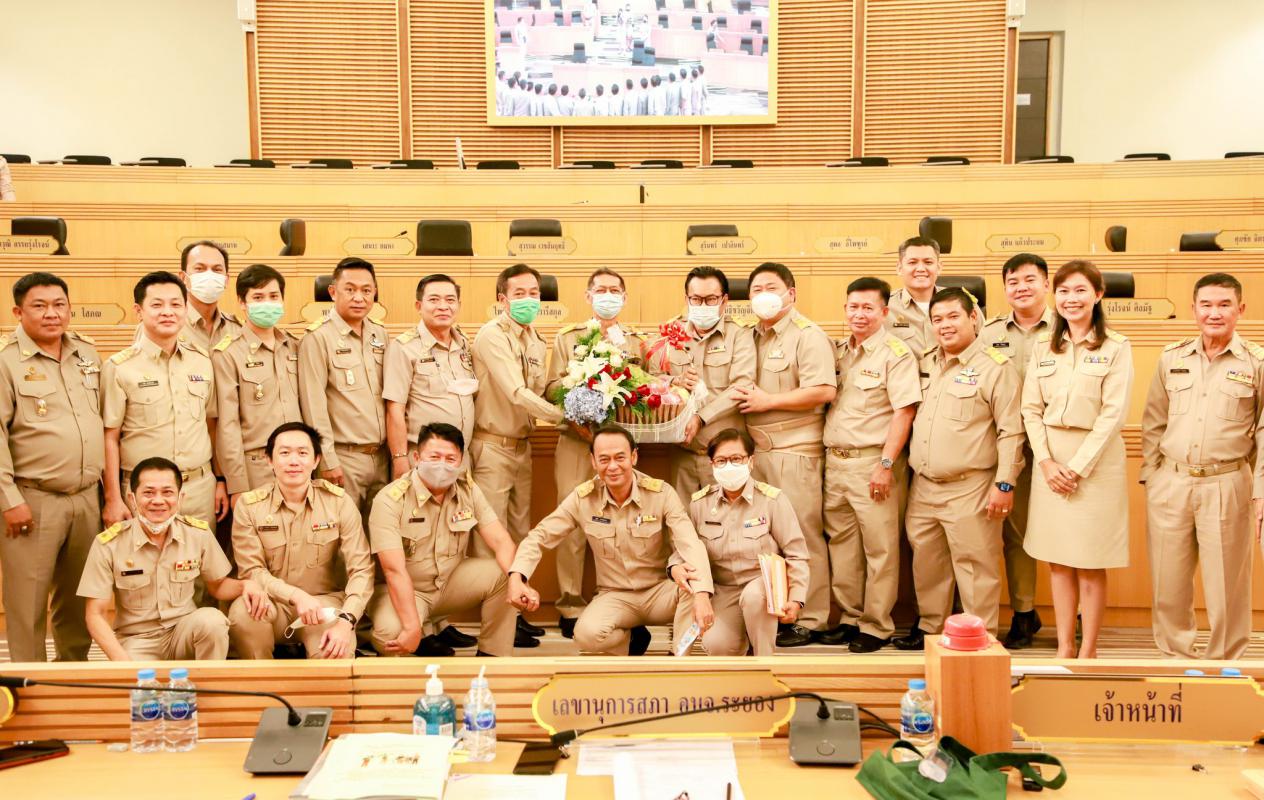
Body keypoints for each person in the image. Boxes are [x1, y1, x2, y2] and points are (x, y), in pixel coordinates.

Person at [507, 425, 716, 655]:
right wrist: (517, 576)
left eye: (620, 457)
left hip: (660, 592)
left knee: (693, 587)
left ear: (633, 457)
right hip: (615, 596)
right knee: (585, 635)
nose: (613, 466)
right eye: (604, 459)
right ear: (593, 461)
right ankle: (632, 641)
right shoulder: (583, 498)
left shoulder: (661, 494)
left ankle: (678, 659)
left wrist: (702, 593)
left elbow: (690, 543)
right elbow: (540, 536)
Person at [893, 288, 1023, 650]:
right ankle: (932, 633)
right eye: (937, 319)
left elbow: (1012, 431)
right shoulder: (926, 362)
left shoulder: (996, 368)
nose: (945, 325)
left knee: (976, 569)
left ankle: (981, 641)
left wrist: (1005, 484)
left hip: (971, 486)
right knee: (927, 564)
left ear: (973, 318)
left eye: (953, 316)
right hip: (924, 486)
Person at [1142, 273, 1261, 661]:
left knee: (1227, 583)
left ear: (1240, 309)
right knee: (1168, 581)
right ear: (1193, 309)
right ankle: (1176, 658)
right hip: (1171, 482)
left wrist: (1259, 490)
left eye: (1224, 305)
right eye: (1206, 305)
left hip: (1227, 482)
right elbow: (1153, 420)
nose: (1214, 313)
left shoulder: (1257, 362)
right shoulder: (1171, 358)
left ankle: (1223, 663)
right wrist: (1152, 476)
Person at [1022, 261, 1132, 659]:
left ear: (1098, 295)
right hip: (1050, 460)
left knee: (1089, 561)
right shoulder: (1043, 346)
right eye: (1064, 291)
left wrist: (1077, 467)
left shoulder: (1116, 347)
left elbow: (1113, 415)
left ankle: (1088, 650)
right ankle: (1064, 646)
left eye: (1081, 290)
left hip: (1096, 464)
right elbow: (1030, 409)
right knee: (1058, 561)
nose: (1071, 299)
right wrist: (1047, 462)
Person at [368, 423, 540, 657]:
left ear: (460, 462)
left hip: (448, 584)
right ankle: (402, 634)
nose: (442, 465)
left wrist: (519, 581)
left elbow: (501, 541)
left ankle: (493, 656)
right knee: (392, 634)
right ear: (417, 458)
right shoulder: (390, 499)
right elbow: (393, 571)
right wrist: (412, 626)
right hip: (409, 590)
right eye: (434, 457)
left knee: (507, 574)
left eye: (450, 459)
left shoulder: (467, 491)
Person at [0, 272, 103, 662]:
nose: (51, 314)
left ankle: (70, 676)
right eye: (39, 306)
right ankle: (30, 684)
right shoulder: (6, 360)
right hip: (33, 498)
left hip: (87, 498)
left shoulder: (87, 353)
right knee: (27, 601)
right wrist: (9, 499)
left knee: (79, 596)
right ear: (18, 312)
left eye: (59, 305)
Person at [77, 457, 270, 660]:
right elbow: (95, 614)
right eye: (148, 493)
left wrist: (245, 585)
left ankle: (208, 680)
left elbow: (218, 586)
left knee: (213, 621)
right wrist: (122, 662)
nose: (158, 500)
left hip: (183, 632)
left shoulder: (197, 534)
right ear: (132, 498)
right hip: (137, 641)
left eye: (167, 492)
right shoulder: (109, 544)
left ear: (180, 498)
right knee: (140, 679)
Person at [545, 267, 649, 638]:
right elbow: (551, 387)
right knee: (572, 523)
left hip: (621, 447)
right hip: (577, 443)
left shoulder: (637, 342)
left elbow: (649, 388)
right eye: (601, 290)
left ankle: (624, 599)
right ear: (588, 296)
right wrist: (577, 400)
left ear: (624, 296)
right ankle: (570, 604)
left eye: (615, 290)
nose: (608, 296)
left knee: (626, 524)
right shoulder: (568, 338)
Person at [736, 262, 836, 647]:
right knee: (767, 539)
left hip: (795, 453)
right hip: (757, 454)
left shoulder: (808, 336)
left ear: (791, 293)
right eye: (756, 289)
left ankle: (811, 617)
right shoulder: (750, 336)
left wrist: (769, 401)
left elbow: (823, 390)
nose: (764, 295)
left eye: (772, 287)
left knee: (803, 537)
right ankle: (778, 611)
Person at [820, 278, 920, 652]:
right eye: (853, 307)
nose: (859, 314)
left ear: (884, 312)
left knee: (880, 549)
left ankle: (877, 625)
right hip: (836, 464)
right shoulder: (837, 352)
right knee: (842, 546)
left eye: (868, 308)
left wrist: (885, 464)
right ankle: (850, 618)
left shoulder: (896, 353)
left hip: (872, 463)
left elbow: (904, 412)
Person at [470, 264, 562, 644]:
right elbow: (516, 392)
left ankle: (515, 610)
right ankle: (495, 624)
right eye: (519, 293)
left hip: (523, 447)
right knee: (491, 538)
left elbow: (540, 390)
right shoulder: (492, 335)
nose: (528, 300)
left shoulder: (536, 339)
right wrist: (564, 417)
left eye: (534, 293)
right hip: (492, 446)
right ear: (502, 299)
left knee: (522, 535)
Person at [228, 422, 374, 659]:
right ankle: (263, 679)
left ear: (316, 460)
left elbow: (362, 570)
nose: (294, 461)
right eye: (284, 453)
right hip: (273, 604)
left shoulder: (338, 503)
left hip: (323, 607)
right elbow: (252, 571)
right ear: (269, 460)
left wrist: (347, 620)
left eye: (303, 453)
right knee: (243, 614)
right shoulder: (249, 506)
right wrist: (296, 596)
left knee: (333, 655)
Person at [103, 271, 224, 528]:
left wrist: (220, 480)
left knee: (200, 554)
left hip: (199, 489)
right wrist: (112, 498)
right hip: (143, 493)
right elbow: (109, 438)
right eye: (157, 305)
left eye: (176, 304)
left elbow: (211, 425)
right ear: (138, 311)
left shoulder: (202, 361)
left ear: (186, 309)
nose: (167, 312)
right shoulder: (119, 367)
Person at [678, 429, 808, 655]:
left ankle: (764, 660)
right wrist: (675, 567)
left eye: (736, 459)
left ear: (751, 461)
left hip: (762, 587)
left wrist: (796, 600)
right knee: (717, 645)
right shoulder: (700, 504)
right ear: (712, 464)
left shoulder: (772, 500)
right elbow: (686, 548)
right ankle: (741, 641)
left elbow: (796, 553)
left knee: (754, 596)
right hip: (723, 590)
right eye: (721, 460)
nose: (729, 466)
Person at [978, 253, 1053, 649]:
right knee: (1015, 533)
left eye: (1030, 280)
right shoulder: (988, 332)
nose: (1021, 288)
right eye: (1013, 282)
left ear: (1046, 284)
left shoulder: (1069, 327)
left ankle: (1075, 613)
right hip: (1007, 447)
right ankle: (1024, 612)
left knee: (1067, 533)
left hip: (1056, 449)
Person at [299, 257, 389, 531]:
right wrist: (327, 459)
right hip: (344, 458)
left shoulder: (380, 334)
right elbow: (313, 405)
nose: (359, 297)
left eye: (366, 290)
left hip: (381, 458)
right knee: (342, 539)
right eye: (350, 289)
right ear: (332, 292)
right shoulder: (318, 338)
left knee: (381, 535)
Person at [663, 266, 756, 499]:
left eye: (711, 299)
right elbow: (652, 376)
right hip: (682, 454)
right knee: (681, 519)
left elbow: (741, 387)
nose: (703, 305)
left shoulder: (740, 334)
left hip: (726, 459)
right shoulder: (671, 333)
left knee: (727, 519)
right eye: (696, 299)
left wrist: (700, 418)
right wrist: (675, 380)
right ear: (686, 299)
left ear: (724, 301)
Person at [212, 263, 302, 502]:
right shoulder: (228, 353)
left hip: (298, 464)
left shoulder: (294, 346)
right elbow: (227, 425)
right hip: (256, 466)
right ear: (242, 303)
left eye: (274, 296)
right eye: (258, 297)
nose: (267, 303)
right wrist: (236, 484)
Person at [384, 274, 476, 479]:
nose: (443, 306)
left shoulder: (463, 343)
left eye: (450, 300)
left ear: (459, 305)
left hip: (459, 458)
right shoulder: (404, 348)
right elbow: (394, 409)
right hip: (422, 459)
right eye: (434, 300)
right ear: (419, 306)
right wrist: (399, 459)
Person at [177, 240, 242, 353]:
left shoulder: (238, 329)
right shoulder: (167, 324)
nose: (209, 275)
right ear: (183, 278)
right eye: (199, 268)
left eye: (217, 269)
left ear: (226, 280)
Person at [887, 236, 945, 356]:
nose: (921, 269)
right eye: (912, 262)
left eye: (928, 262)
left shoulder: (962, 303)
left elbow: (982, 345)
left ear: (939, 267)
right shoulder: (883, 308)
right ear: (899, 268)